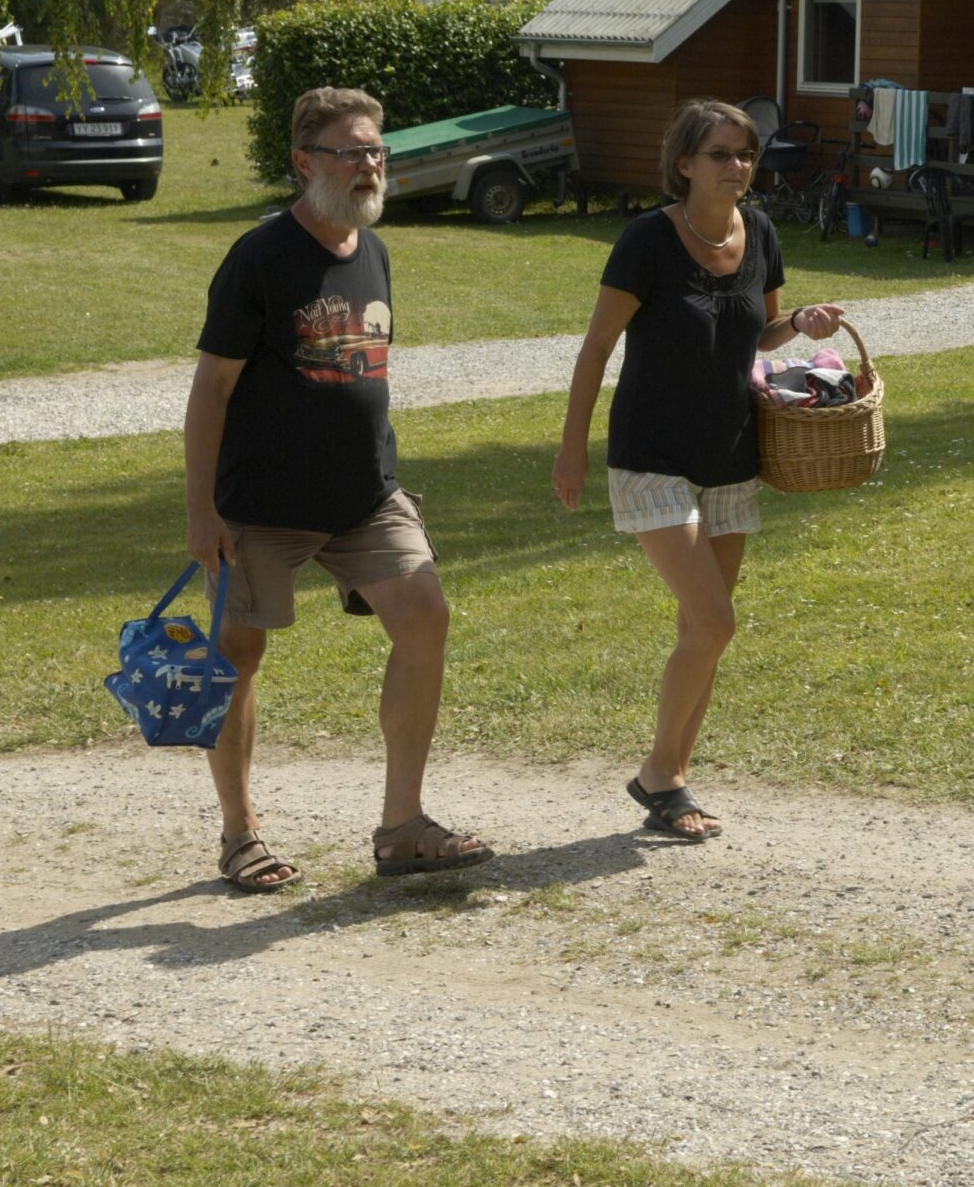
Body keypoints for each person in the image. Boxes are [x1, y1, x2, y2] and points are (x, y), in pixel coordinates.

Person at [183, 85, 493, 891]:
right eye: (351, 151)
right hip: (262, 502)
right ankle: (239, 833)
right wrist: (202, 510)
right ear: (304, 160)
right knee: (239, 655)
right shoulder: (259, 257)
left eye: (375, 150)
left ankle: (402, 826)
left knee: (424, 614)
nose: (369, 165)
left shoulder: (375, 251)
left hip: (365, 495)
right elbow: (212, 387)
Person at [553, 99, 845, 841]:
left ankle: (671, 781)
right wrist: (571, 448)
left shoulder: (761, 233)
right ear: (684, 164)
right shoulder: (647, 240)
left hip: (730, 454)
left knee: (702, 631)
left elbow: (762, 330)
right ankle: (660, 772)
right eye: (720, 153)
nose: (737, 166)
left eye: (745, 153)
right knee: (716, 620)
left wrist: (799, 322)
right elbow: (596, 348)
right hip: (651, 455)